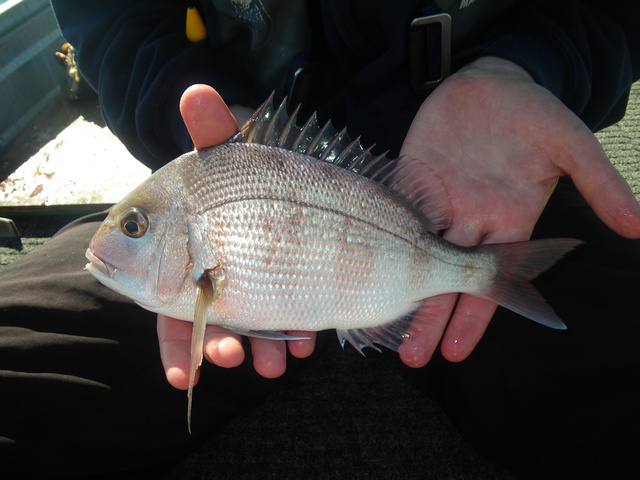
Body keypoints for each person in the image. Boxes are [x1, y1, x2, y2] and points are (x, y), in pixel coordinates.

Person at [1, 0, 639, 478]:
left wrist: (532, 60)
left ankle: (480, 274)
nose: (125, 236)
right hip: (227, 145)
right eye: (135, 226)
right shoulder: (188, 210)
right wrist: (185, 95)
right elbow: (117, 21)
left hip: (483, 183)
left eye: (134, 226)